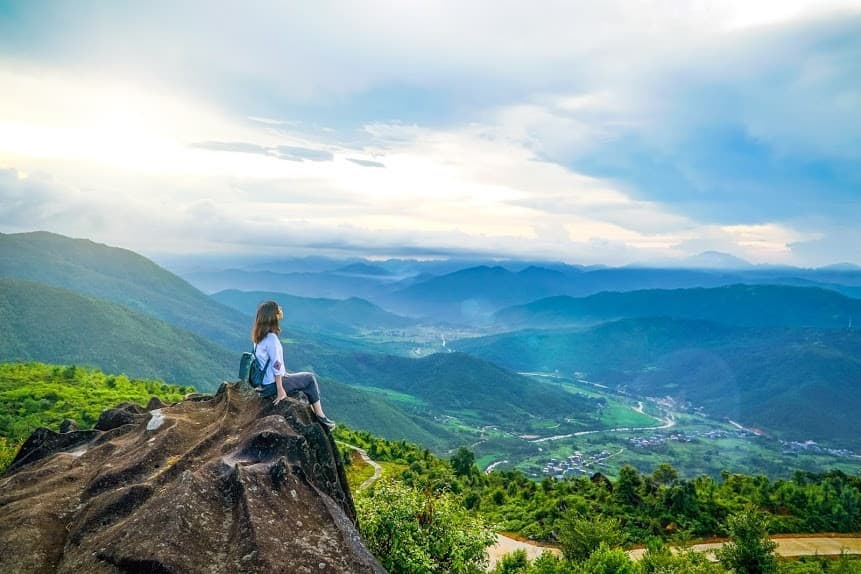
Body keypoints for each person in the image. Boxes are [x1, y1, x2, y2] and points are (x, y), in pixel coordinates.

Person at [252, 300, 336, 431]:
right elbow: (276, 366)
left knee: (301, 379)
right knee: (309, 378)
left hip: (264, 384)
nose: (281, 309)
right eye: (278, 308)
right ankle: (321, 416)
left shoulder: (258, 337)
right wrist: (280, 390)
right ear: (272, 316)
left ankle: (315, 414)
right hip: (273, 385)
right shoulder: (271, 339)